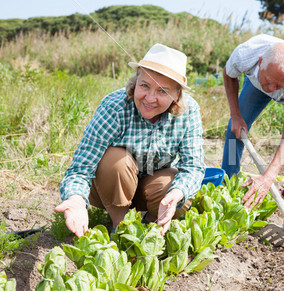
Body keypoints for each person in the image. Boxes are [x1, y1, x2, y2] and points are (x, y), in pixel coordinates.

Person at [55, 43, 205, 237]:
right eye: (144, 86)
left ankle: (151, 227)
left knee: (175, 187)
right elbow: (82, 167)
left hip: (150, 188)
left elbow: (194, 167)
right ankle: (120, 227)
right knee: (116, 159)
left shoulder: (189, 111)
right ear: (135, 82)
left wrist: (177, 194)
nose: (150, 98)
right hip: (107, 187)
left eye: (162, 91)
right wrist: (75, 199)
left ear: (177, 95)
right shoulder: (115, 107)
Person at [221, 34, 284, 227]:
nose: (272, 89)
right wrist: (235, 114)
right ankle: (227, 188)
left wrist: (267, 178)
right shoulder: (246, 54)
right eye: (269, 81)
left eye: (278, 85)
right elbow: (229, 74)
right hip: (256, 82)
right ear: (260, 62)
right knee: (235, 128)